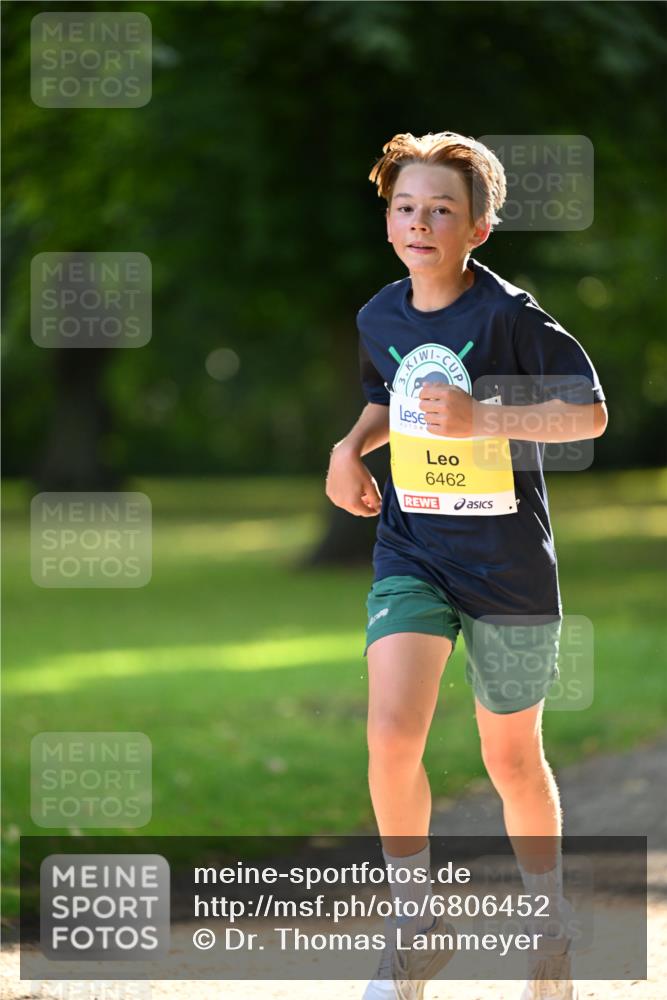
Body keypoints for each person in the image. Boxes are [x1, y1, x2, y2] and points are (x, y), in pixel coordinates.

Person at [325, 131, 608, 1000]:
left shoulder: (509, 316)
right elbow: (389, 395)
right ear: (388, 223)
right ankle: (417, 925)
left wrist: (484, 418)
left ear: (477, 228)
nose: (420, 222)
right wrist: (350, 445)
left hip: (508, 569)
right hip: (412, 549)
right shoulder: (380, 315)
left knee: (510, 757)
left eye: (440, 209)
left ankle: (546, 930)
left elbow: (588, 414)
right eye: (405, 207)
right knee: (388, 733)